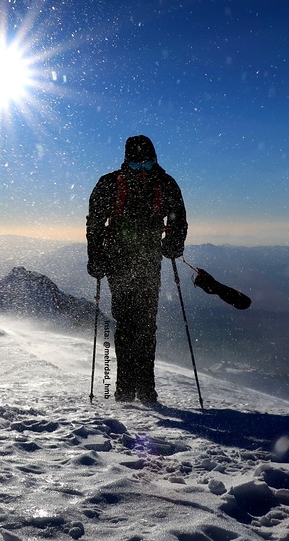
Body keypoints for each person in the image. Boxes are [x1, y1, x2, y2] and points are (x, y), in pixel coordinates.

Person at [86, 135, 187, 403]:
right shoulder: (114, 184)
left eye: (147, 164)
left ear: (155, 160)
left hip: (143, 260)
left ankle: (142, 386)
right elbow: (94, 224)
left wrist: (174, 242)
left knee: (143, 323)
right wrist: (95, 256)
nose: (142, 171)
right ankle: (128, 386)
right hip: (122, 261)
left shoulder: (161, 183)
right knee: (130, 322)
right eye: (136, 165)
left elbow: (178, 219)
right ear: (126, 162)